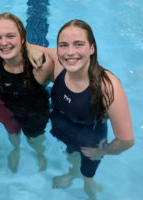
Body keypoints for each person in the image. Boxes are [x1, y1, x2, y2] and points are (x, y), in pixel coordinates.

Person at [45, 19, 134, 199]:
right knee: (71, 155)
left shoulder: (107, 87)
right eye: (63, 45)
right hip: (64, 127)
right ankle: (72, 173)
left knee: (88, 169)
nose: (70, 52)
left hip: (90, 139)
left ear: (92, 48)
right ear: (58, 49)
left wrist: (101, 151)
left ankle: (88, 182)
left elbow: (126, 141)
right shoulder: (57, 61)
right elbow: (28, 46)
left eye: (79, 45)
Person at [0, 12, 54, 173]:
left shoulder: (41, 68)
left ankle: (40, 153)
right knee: (12, 135)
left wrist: (29, 47)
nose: (4, 43)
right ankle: (16, 149)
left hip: (36, 112)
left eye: (10, 36)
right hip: (7, 109)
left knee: (35, 139)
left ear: (22, 38)